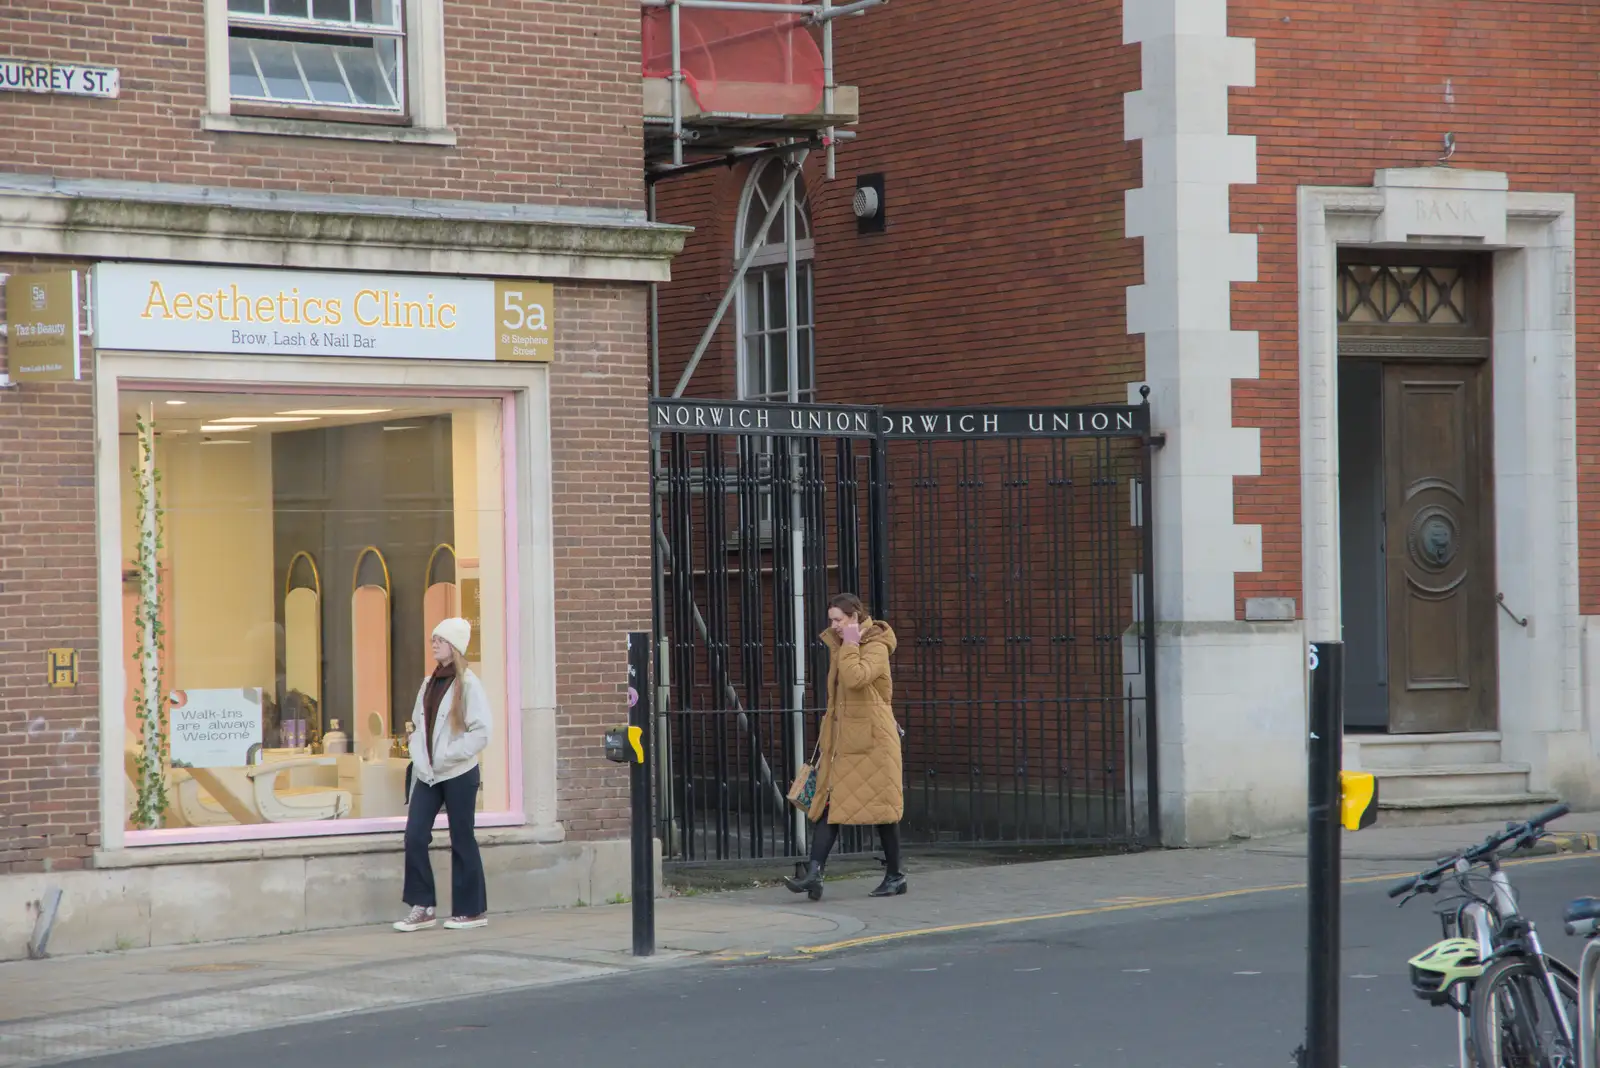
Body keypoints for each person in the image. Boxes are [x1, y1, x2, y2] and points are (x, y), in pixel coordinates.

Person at [785, 592, 906, 900]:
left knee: (882, 811)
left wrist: (851, 643)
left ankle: (895, 876)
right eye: (831, 620)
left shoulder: (875, 645)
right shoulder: (844, 646)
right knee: (829, 806)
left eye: (839, 620)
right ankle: (814, 874)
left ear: (854, 618)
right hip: (846, 742)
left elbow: (856, 679)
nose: (834, 625)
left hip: (873, 743)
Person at [394, 617, 492, 932]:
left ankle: (471, 910)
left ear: (455, 646)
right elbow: (418, 727)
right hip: (428, 775)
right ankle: (423, 907)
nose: (434, 643)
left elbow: (481, 733)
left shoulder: (470, 685)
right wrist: (421, 759)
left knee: (462, 838)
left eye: (440, 639)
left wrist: (448, 756)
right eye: (433, 638)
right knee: (414, 835)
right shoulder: (428, 683)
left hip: (460, 772)